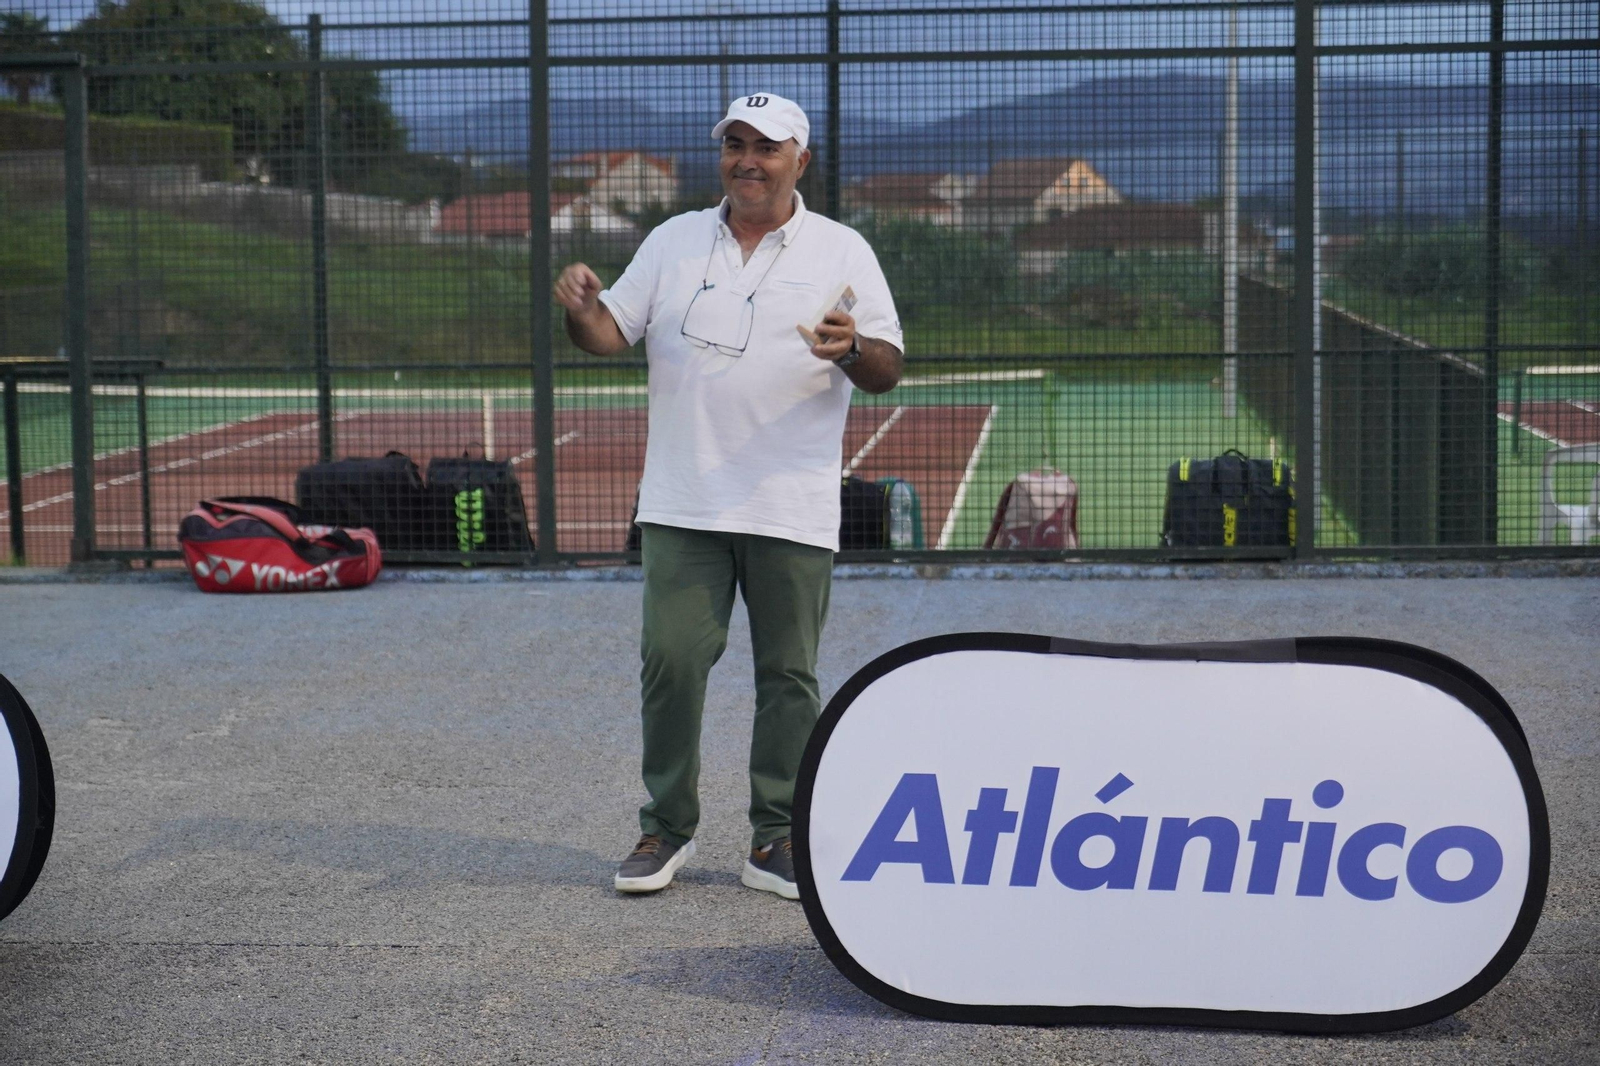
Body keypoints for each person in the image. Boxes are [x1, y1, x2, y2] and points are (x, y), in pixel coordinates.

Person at [553, 93, 904, 899]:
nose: (747, 159)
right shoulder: (673, 240)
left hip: (792, 500)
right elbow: (610, 334)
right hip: (684, 500)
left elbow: (886, 367)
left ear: (800, 160)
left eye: (766, 147)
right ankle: (665, 828)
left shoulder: (842, 251)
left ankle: (774, 838)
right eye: (734, 144)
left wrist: (852, 351)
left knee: (788, 674)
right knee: (671, 661)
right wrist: (579, 312)